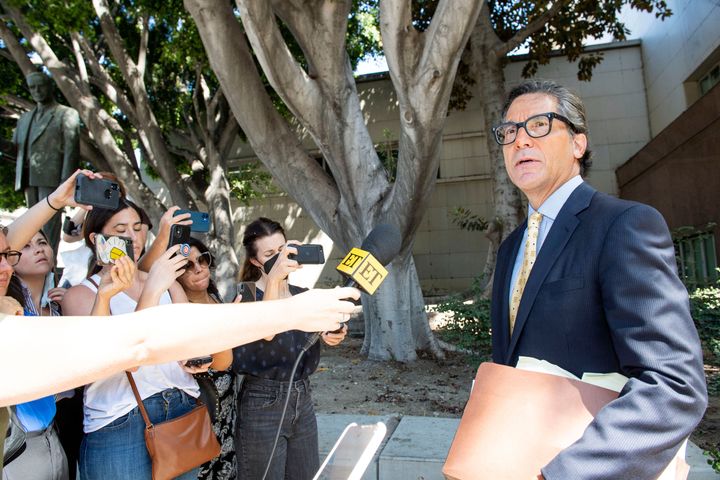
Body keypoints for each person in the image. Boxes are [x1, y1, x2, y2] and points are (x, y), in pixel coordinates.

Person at [489, 80, 707, 479]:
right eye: (509, 132)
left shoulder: (625, 225)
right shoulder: (511, 249)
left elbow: (674, 386)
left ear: (578, 144)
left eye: (539, 125)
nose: (520, 141)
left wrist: (563, 473)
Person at [60, 198, 209, 480]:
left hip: (181, 407)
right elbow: (122, 361)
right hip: (120, 422)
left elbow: (189, 341)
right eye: (120, 229)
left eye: (138, 227)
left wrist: (194, 358)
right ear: (96, 238)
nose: (133, 237)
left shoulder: (168, 282)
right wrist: (152, 289)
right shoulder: (81, 295)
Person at [233, 217, 347, 480]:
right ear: (255, 262)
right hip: (263, 401)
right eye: (270, 254)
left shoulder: (302, 294)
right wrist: (275, 279)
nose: (280, 258)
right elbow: (267, 329)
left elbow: (321, 332)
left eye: (282, 249)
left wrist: (333, 333)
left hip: (302, 397)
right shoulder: (246, 296)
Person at [11, 230, 84, 479]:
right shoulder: (10, 310)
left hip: (70, 412)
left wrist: (71, 309)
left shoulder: (63, 301)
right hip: (25, 426)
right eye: (27, 246)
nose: (39, 249)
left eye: (42, 243)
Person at [175, 238, 236, 480]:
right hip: (202, 415)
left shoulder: (216, 297)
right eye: (187, 266)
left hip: (227, 413)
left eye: (202, 260)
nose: (199, 268)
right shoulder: (178, 310)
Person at [12, 72, 80, 253]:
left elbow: (71, 151)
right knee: (31, 229)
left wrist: (66, 185)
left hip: (52, 180)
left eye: (40, 86)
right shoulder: (25, 119)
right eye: (32, 87)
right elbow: (15, 149)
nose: (37, 91)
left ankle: (49, 270)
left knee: (49, 230)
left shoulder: (66, 114)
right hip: (28, 178)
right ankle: (32, 267)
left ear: (50, 86)